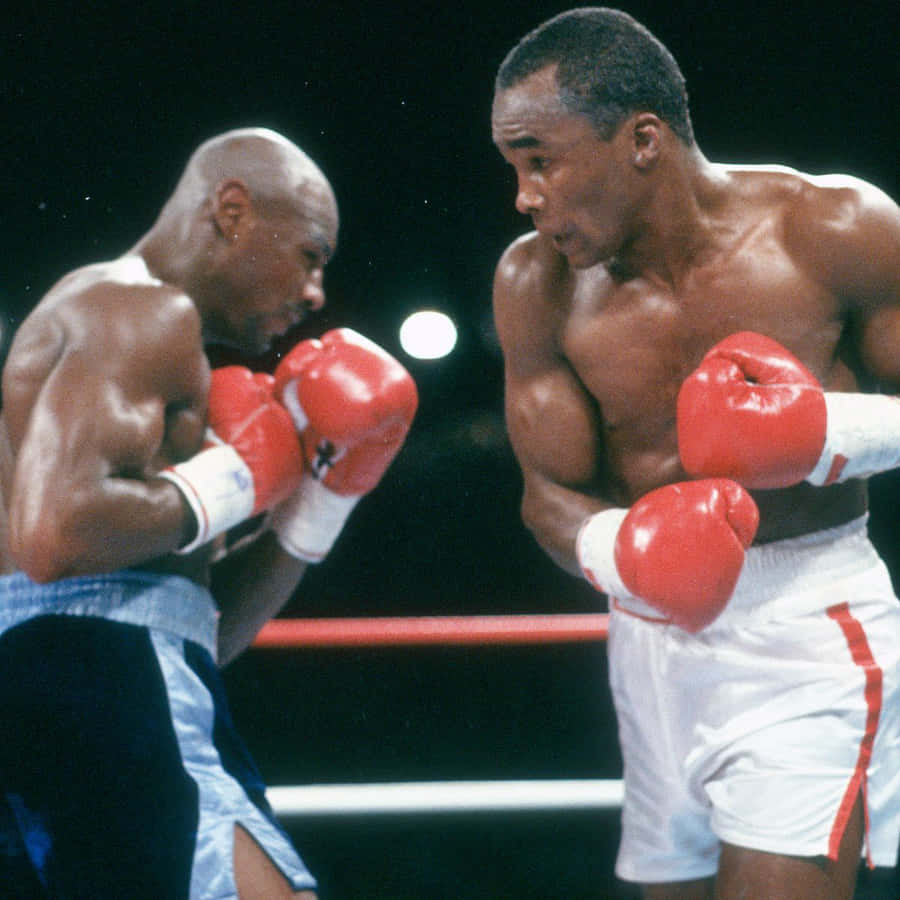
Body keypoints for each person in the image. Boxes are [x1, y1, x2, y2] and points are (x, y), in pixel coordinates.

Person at [491, 8, 899, 899]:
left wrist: (824, 436)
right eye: (513, 168)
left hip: (805, 623)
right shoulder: (535, 283)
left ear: (642, 140)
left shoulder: (831, 229)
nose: (524, 196)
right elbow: (547, 494)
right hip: (645, 643)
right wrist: (624, 550)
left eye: (539, 160)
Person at [0, 127, 417, 898]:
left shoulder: (130, 330)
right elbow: (53, 539)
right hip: (103, 684)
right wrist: (233, 479)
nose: (316, 290)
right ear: (232, 210)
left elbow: (201, 633)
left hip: (84, 679)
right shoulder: (140, 311)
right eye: (310, 254)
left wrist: (317, 506)